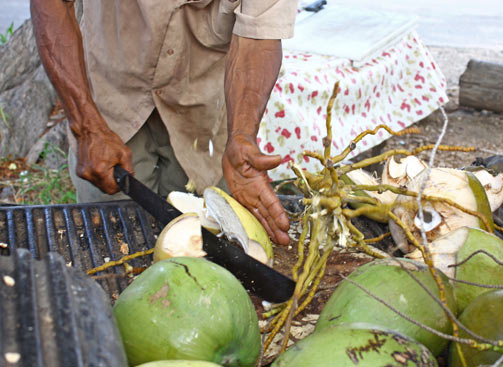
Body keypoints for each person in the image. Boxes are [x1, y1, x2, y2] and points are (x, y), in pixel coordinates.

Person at [30, 0, 298, 246]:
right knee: (112, 244)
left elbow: (258, 37)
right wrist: (87, 126)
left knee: (209, 251)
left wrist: (242, 134)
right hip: (109, 99)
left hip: (203, 107)